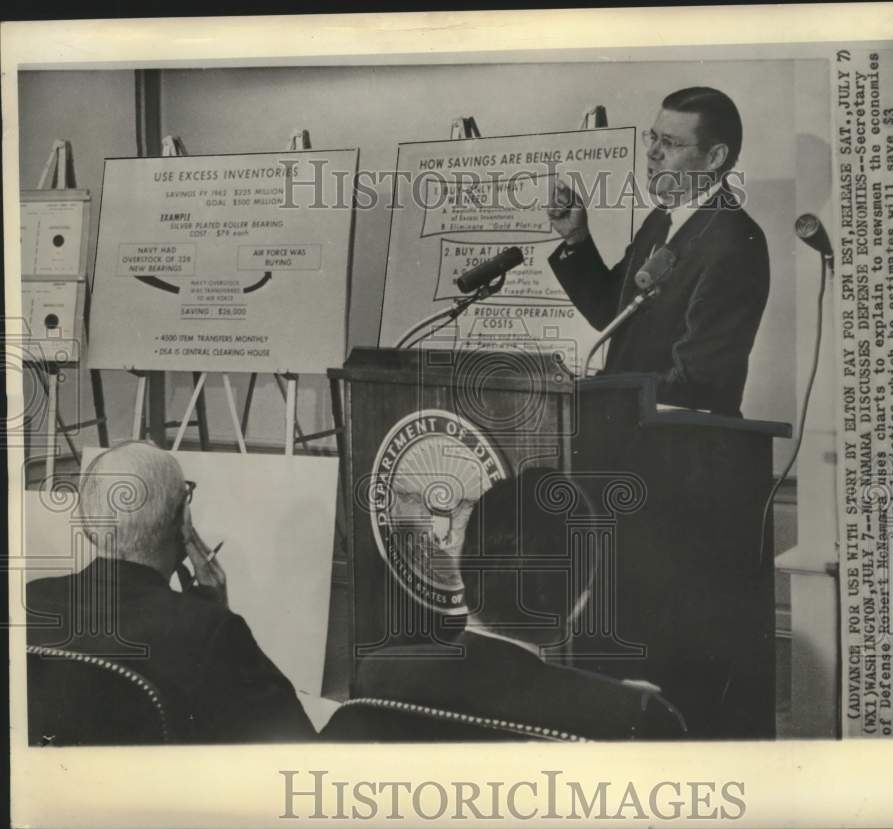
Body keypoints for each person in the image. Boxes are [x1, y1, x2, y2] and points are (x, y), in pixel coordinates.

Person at [343, 468, 686, 740]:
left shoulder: (376, 675)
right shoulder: (637, 719)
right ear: (580, 602)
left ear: (462, 569)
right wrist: (621, 702)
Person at [26, 441, 315, 744]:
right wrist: (216, 614)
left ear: (88, 524)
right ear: (183, 520)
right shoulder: (212, 631)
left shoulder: (29, 602)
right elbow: (297, 745)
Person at [548, 86, 769, 416]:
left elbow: (697, 381)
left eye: (670, 143)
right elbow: (612, 312)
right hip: (631, 427)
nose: (652, 152)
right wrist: (577, 239)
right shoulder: (662, 219)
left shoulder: (735, 241)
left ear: (715, 158)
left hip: (679, 447)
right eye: (652, 138)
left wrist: (596, 389)